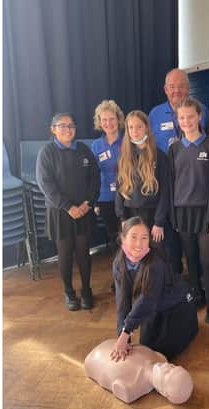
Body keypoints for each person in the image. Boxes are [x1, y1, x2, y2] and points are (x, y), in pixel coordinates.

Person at [168, 97, 209, 333]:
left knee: (208, 262)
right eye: (181, 117)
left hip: (206, 213)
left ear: (199, 117)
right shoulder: (174, 148)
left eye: (190, 116)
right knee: (192, 260)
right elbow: (170, 184)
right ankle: (196, 296)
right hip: (182, 213)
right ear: (178, 120)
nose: (186, 121)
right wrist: (173, 216)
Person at [36, 112, 100, 311]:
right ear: (53, 129)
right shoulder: (46, 152)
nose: (67, 129)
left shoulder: (83, 150)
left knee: (83, 252)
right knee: (64, 253)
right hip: (60, 213)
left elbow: (95, 178)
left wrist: (87, 203)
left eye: (71, 126)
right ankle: (69, 292)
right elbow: (46, 184)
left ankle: (86, 290)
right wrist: (68, 207)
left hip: (83, 210)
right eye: (62, 126)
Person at [148, 68, 209, 275]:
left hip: (194, 183)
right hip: (165, 184)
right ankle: (174, 278)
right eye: (172, 87)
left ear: (188, 88)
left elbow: (206, 144)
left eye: (181, 85)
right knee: (171, 239)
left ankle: (198, 280)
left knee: (197, 243)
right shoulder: (155, 114)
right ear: (165, 89)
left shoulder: (202, 110)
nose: (177, 90)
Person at [112, 216, 198, 361]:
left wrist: (126, 333)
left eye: (144, 238)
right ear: (123, 238)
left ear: (149, 240)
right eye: (133, 237)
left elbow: (147, 299)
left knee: (159, 355)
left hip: (176, 306)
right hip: (155, 307)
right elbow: (122, 300)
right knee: (146, 346)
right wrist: (122, 335)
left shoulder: (155, 263)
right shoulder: (118, 263)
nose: (139, 244)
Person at [115, 110, 169, 247]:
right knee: (135, 255)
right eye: (131, 127)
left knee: (155, 256)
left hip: (153, 215)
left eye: (139, 126)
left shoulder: (159, 156)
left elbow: (165, 192)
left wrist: (159, 222)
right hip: (130, 215)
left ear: (146, 128)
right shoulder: (124, 157)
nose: (135, 131)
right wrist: (122, 218)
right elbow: (119, 189)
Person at [84, 339, 194, 404]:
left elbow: (118, 386)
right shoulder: (159, 358)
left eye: (167, 374)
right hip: (110, 346)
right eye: (173, 367)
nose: (167, 366)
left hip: (95, 360)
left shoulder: (132, 388)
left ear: (164, 392)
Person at [91, 100, 124, 292]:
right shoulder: (96, 145)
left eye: (112, 119)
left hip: (126, 197)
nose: (108, 123)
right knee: (114, 241)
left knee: (129, 237)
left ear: (118, 119)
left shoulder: (127, 140)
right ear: (99, 122)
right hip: (105, 198)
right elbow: (93, 176)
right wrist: (95, 201)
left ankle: (136, 275)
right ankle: (120, 277)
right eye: (104, 120)